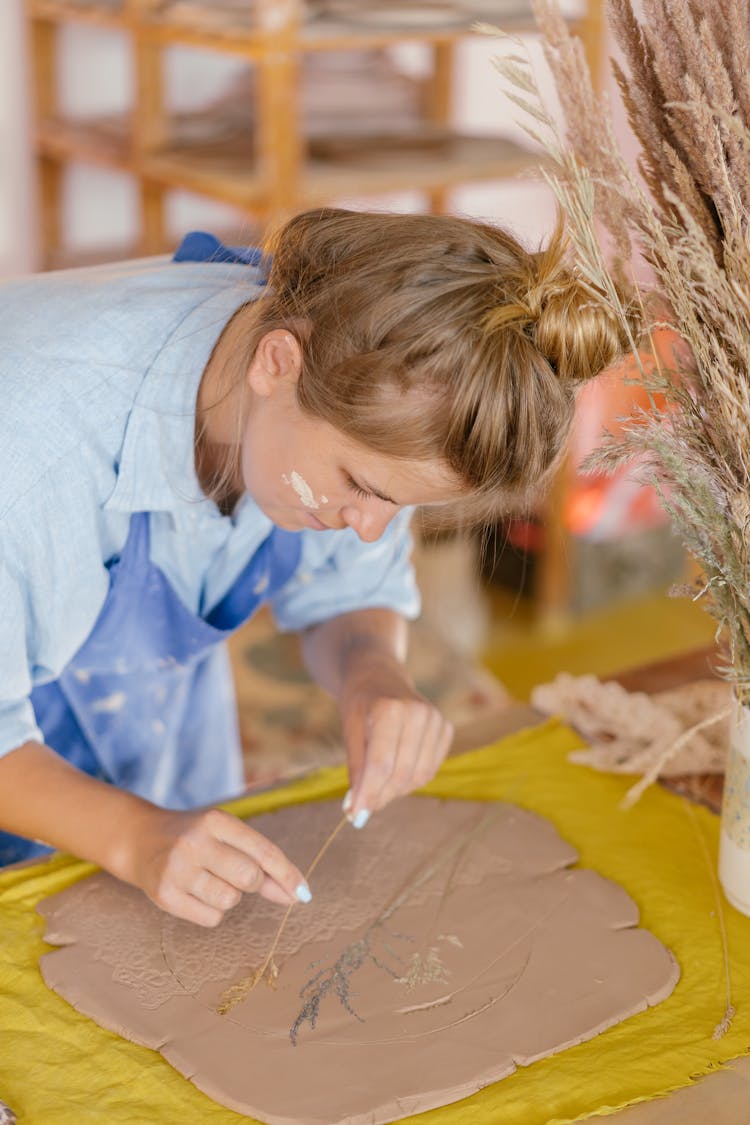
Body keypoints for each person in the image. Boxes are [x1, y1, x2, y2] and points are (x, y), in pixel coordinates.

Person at [0, 207, 633, 927]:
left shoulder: (333, 372)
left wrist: (373, 672)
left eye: (396, 507)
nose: (369, 532)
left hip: (147, 736)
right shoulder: (26, 459)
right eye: (362, 488)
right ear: (277, 362)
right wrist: (136, 836)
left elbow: (349, 588)